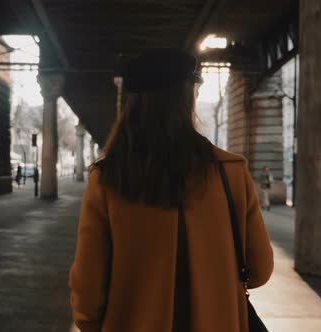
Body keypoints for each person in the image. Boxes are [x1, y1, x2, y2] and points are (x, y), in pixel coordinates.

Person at [69, 49, 273, 332]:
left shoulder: (108, 178)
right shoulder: (230, 172)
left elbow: (88, 288)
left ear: (130, 102)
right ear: (188, 96)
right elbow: (260, 269)